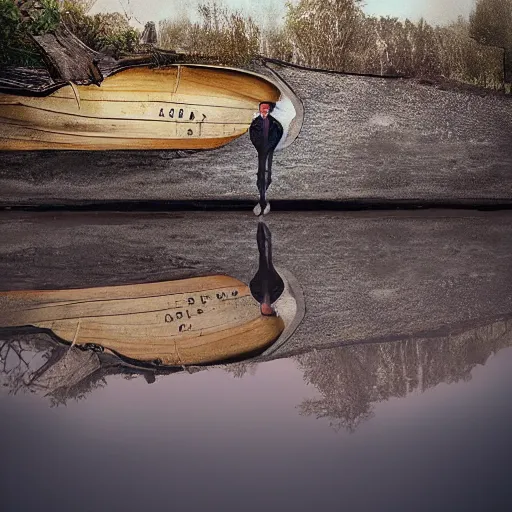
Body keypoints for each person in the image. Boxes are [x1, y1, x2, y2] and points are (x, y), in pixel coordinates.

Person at [249, 102, 283, 215]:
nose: (264, 113)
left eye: (266, 111)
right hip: (261, 149)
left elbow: (278, 132)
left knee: (266, 169)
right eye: (263, 111)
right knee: (262, 170)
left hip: (268, 147)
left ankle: (263, 195)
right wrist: (259, 145)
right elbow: (252, 134)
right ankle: (262, 196)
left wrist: (271, 144)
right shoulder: (256, 123)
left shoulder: (272, 122)